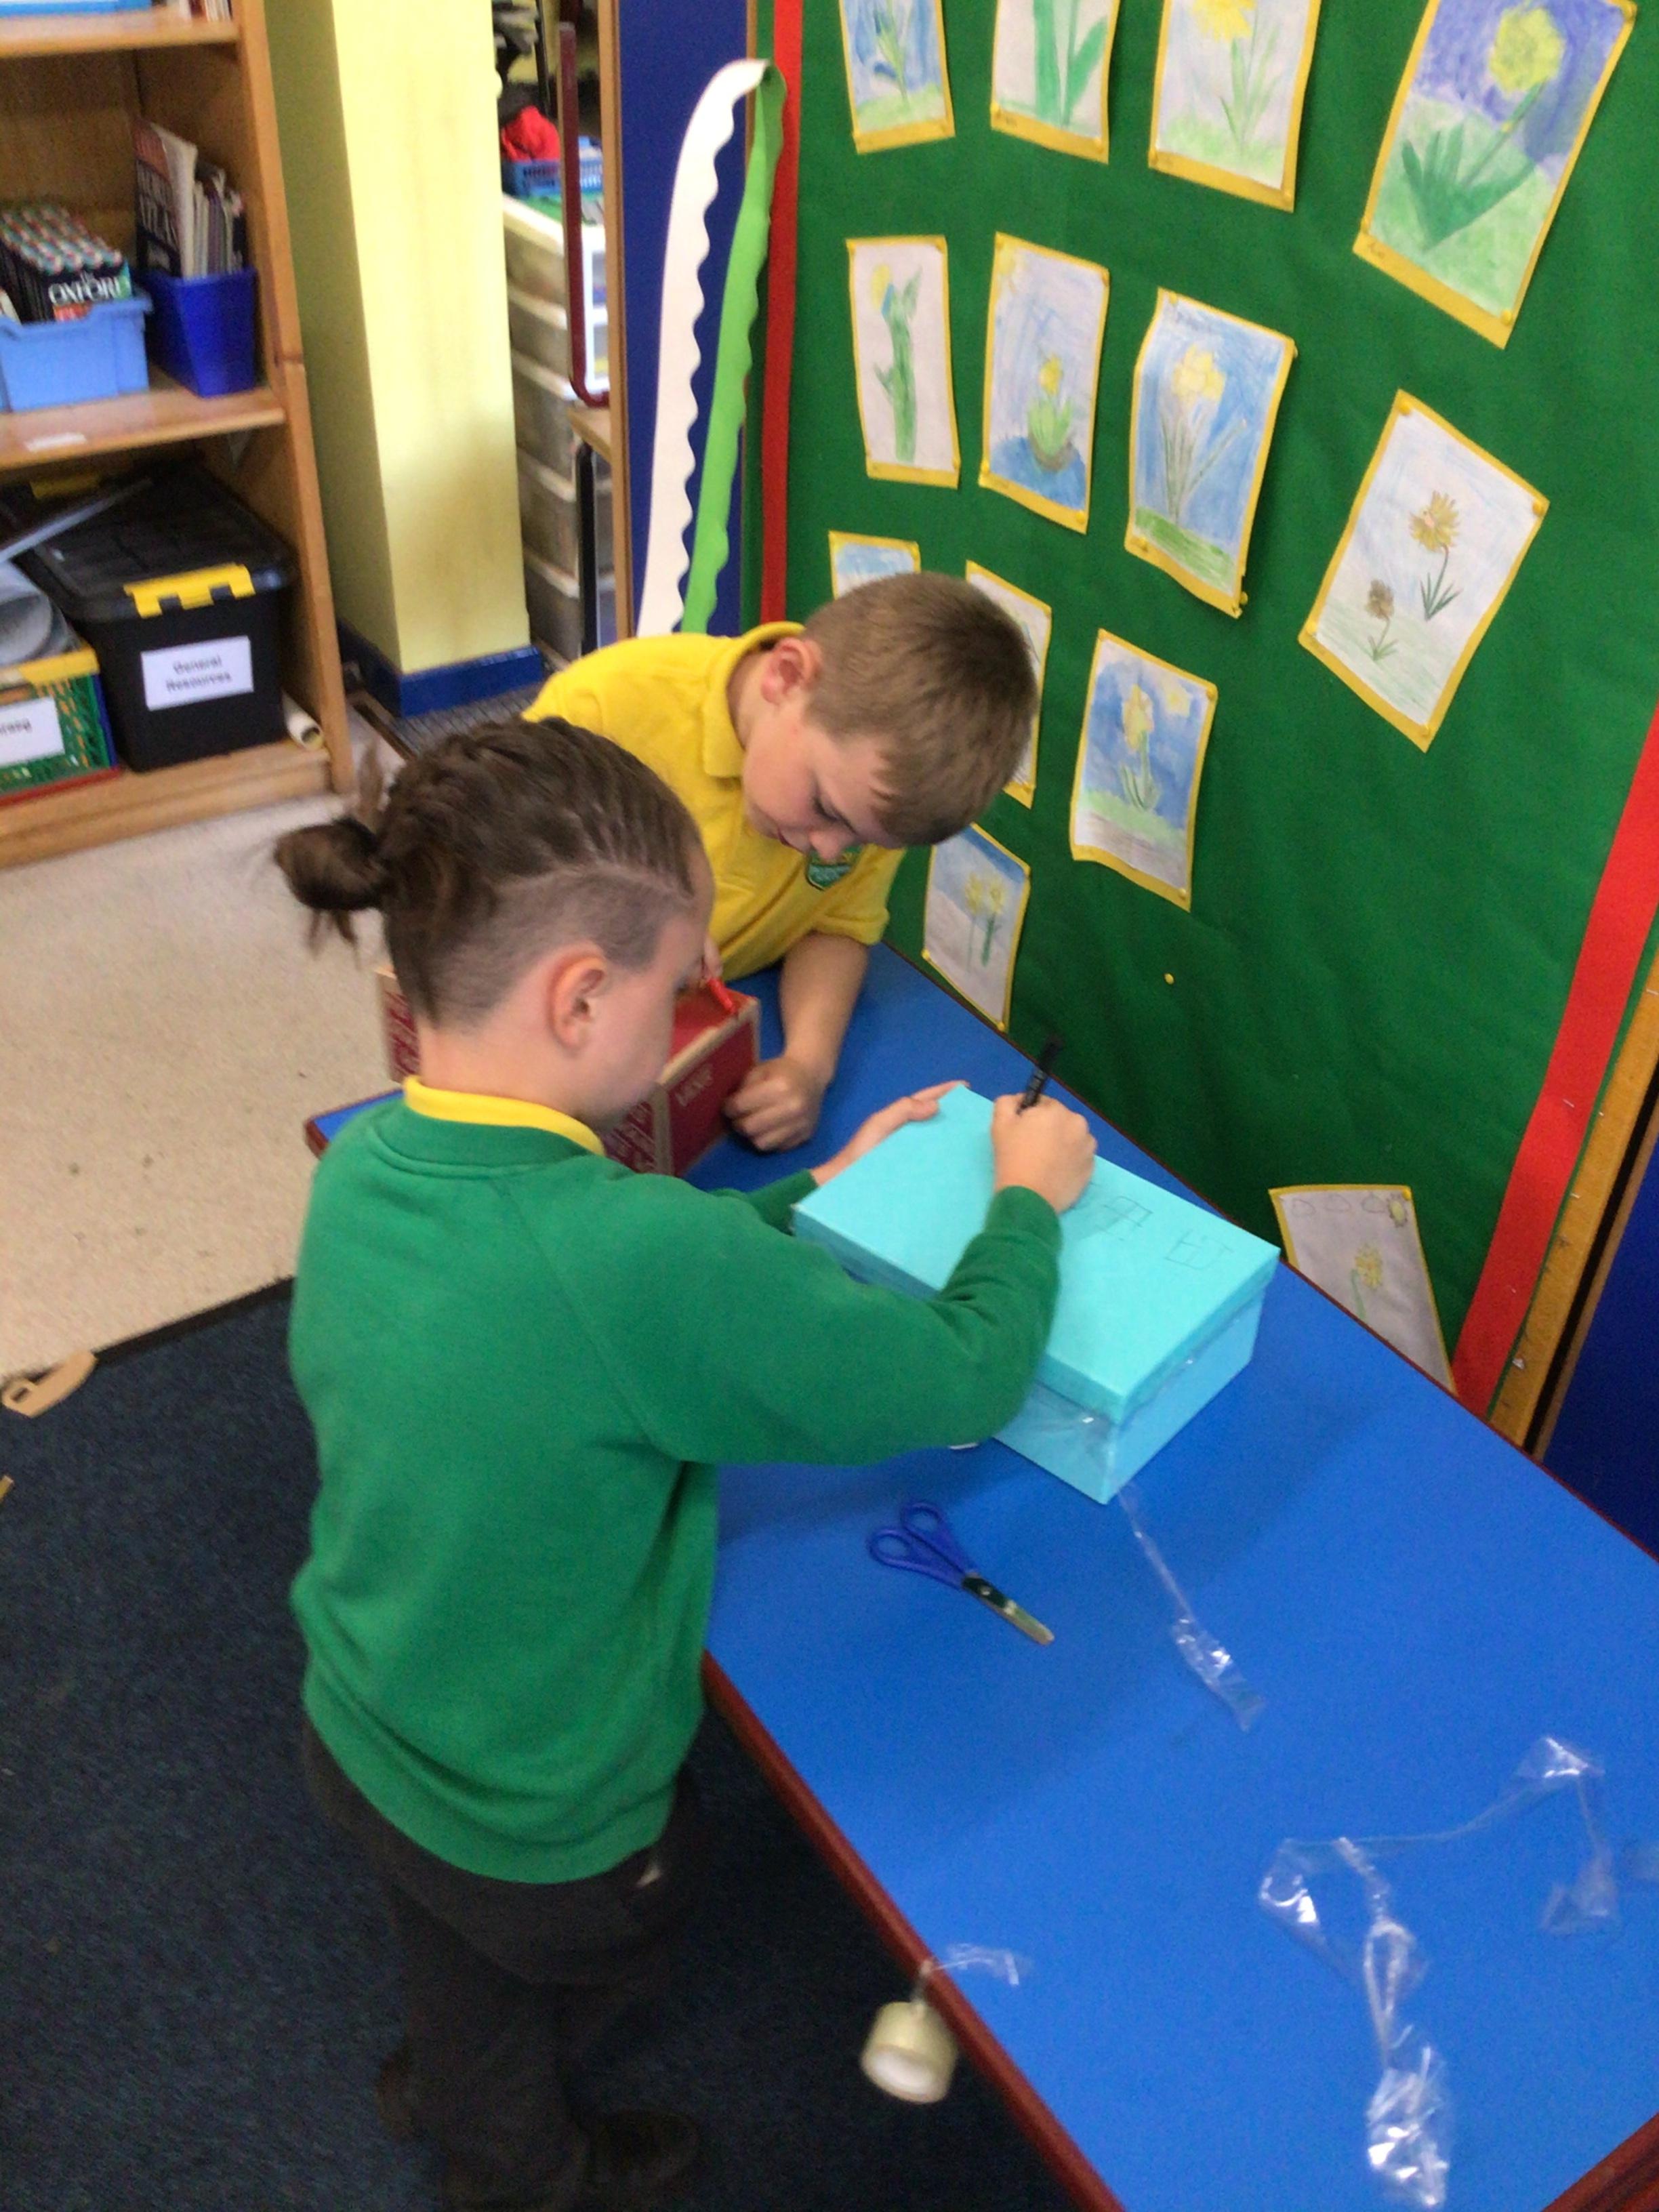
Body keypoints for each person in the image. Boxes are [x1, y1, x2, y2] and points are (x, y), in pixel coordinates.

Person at [274, 717, 1093, 2212]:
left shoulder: (374, 1162)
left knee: (449, 1948)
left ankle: (458, 2079)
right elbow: (964, 1374)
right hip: (545, 1824)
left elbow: (607, 1281)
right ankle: (521, 2167)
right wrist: (1026, 1202)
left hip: (364, 1719)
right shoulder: (633, 1255)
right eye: (683, 986)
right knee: (625, 1923)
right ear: (582, 995)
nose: (703, 1010)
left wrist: (811, 1191)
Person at [525, 572, 1036, 1153]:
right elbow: (490, 888)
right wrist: (636, 927)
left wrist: (808, 1066)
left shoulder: (867, 798)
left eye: (859, 840)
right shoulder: (601, 706)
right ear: (786, 677)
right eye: (824, 807)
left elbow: (835, 927)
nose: (829, 849)